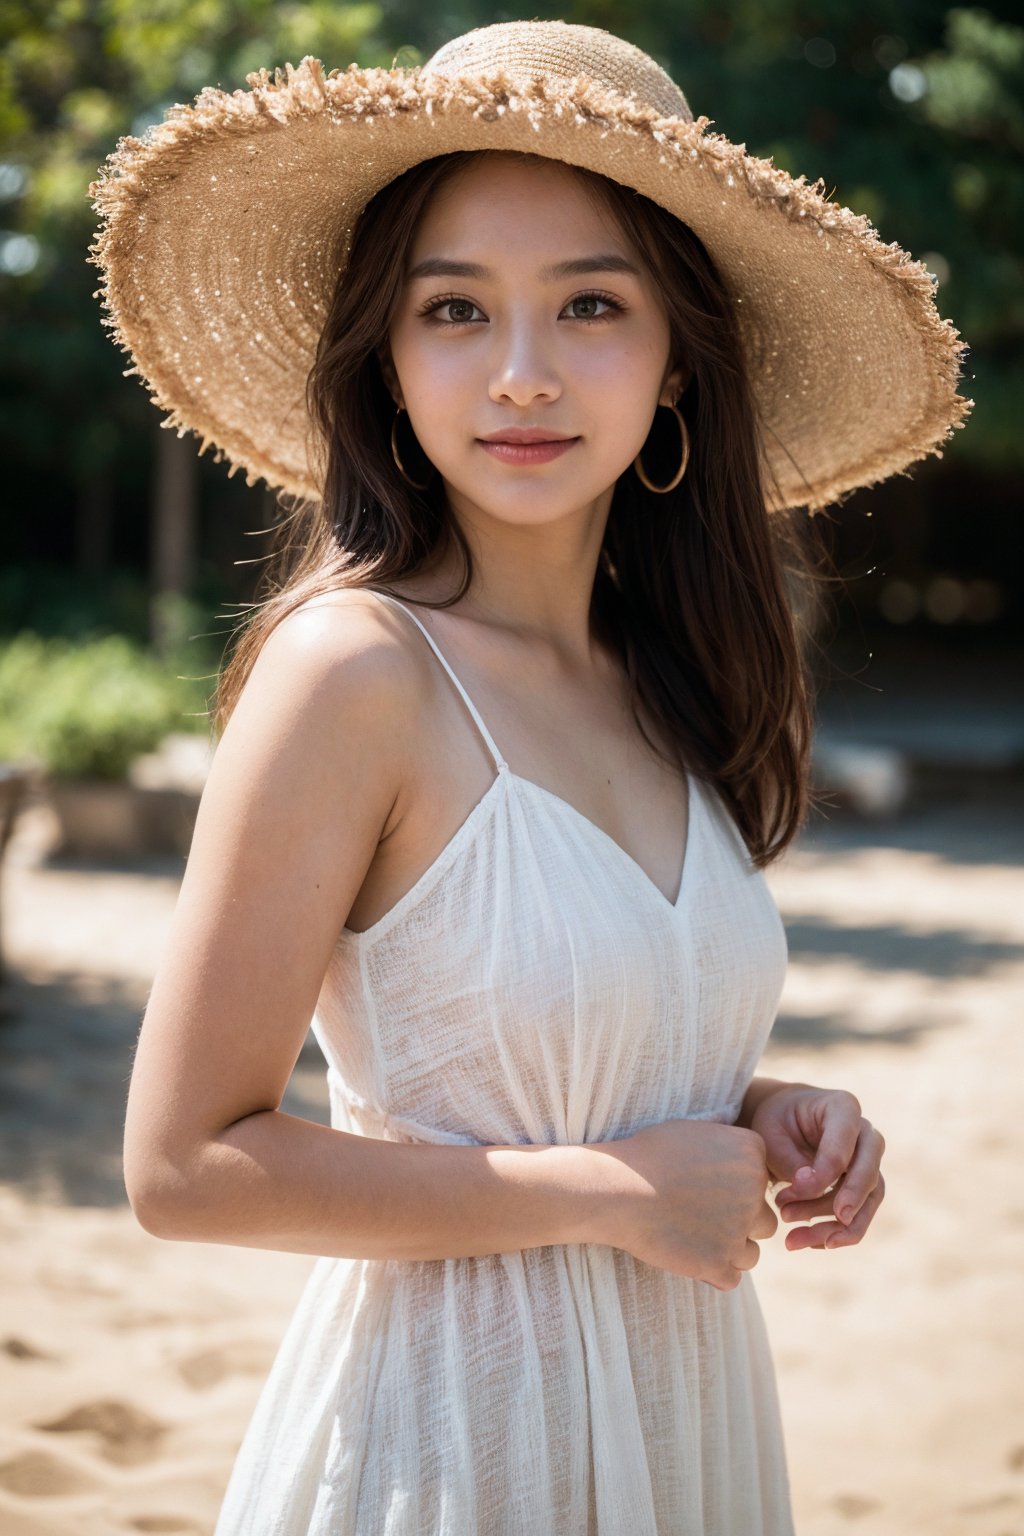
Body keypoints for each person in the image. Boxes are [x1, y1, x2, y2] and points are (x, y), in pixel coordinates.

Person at [88, 19, 972, 1535]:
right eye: (454, 309)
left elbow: (550, 1056)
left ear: (679, 358)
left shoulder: (662, 681)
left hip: (682, 1429)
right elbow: (185, 1166)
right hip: (448, 1449)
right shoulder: (353, 673)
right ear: (389, 351)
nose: (521, 374)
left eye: (589, 304)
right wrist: (606, 1193)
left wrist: (761, 1108)